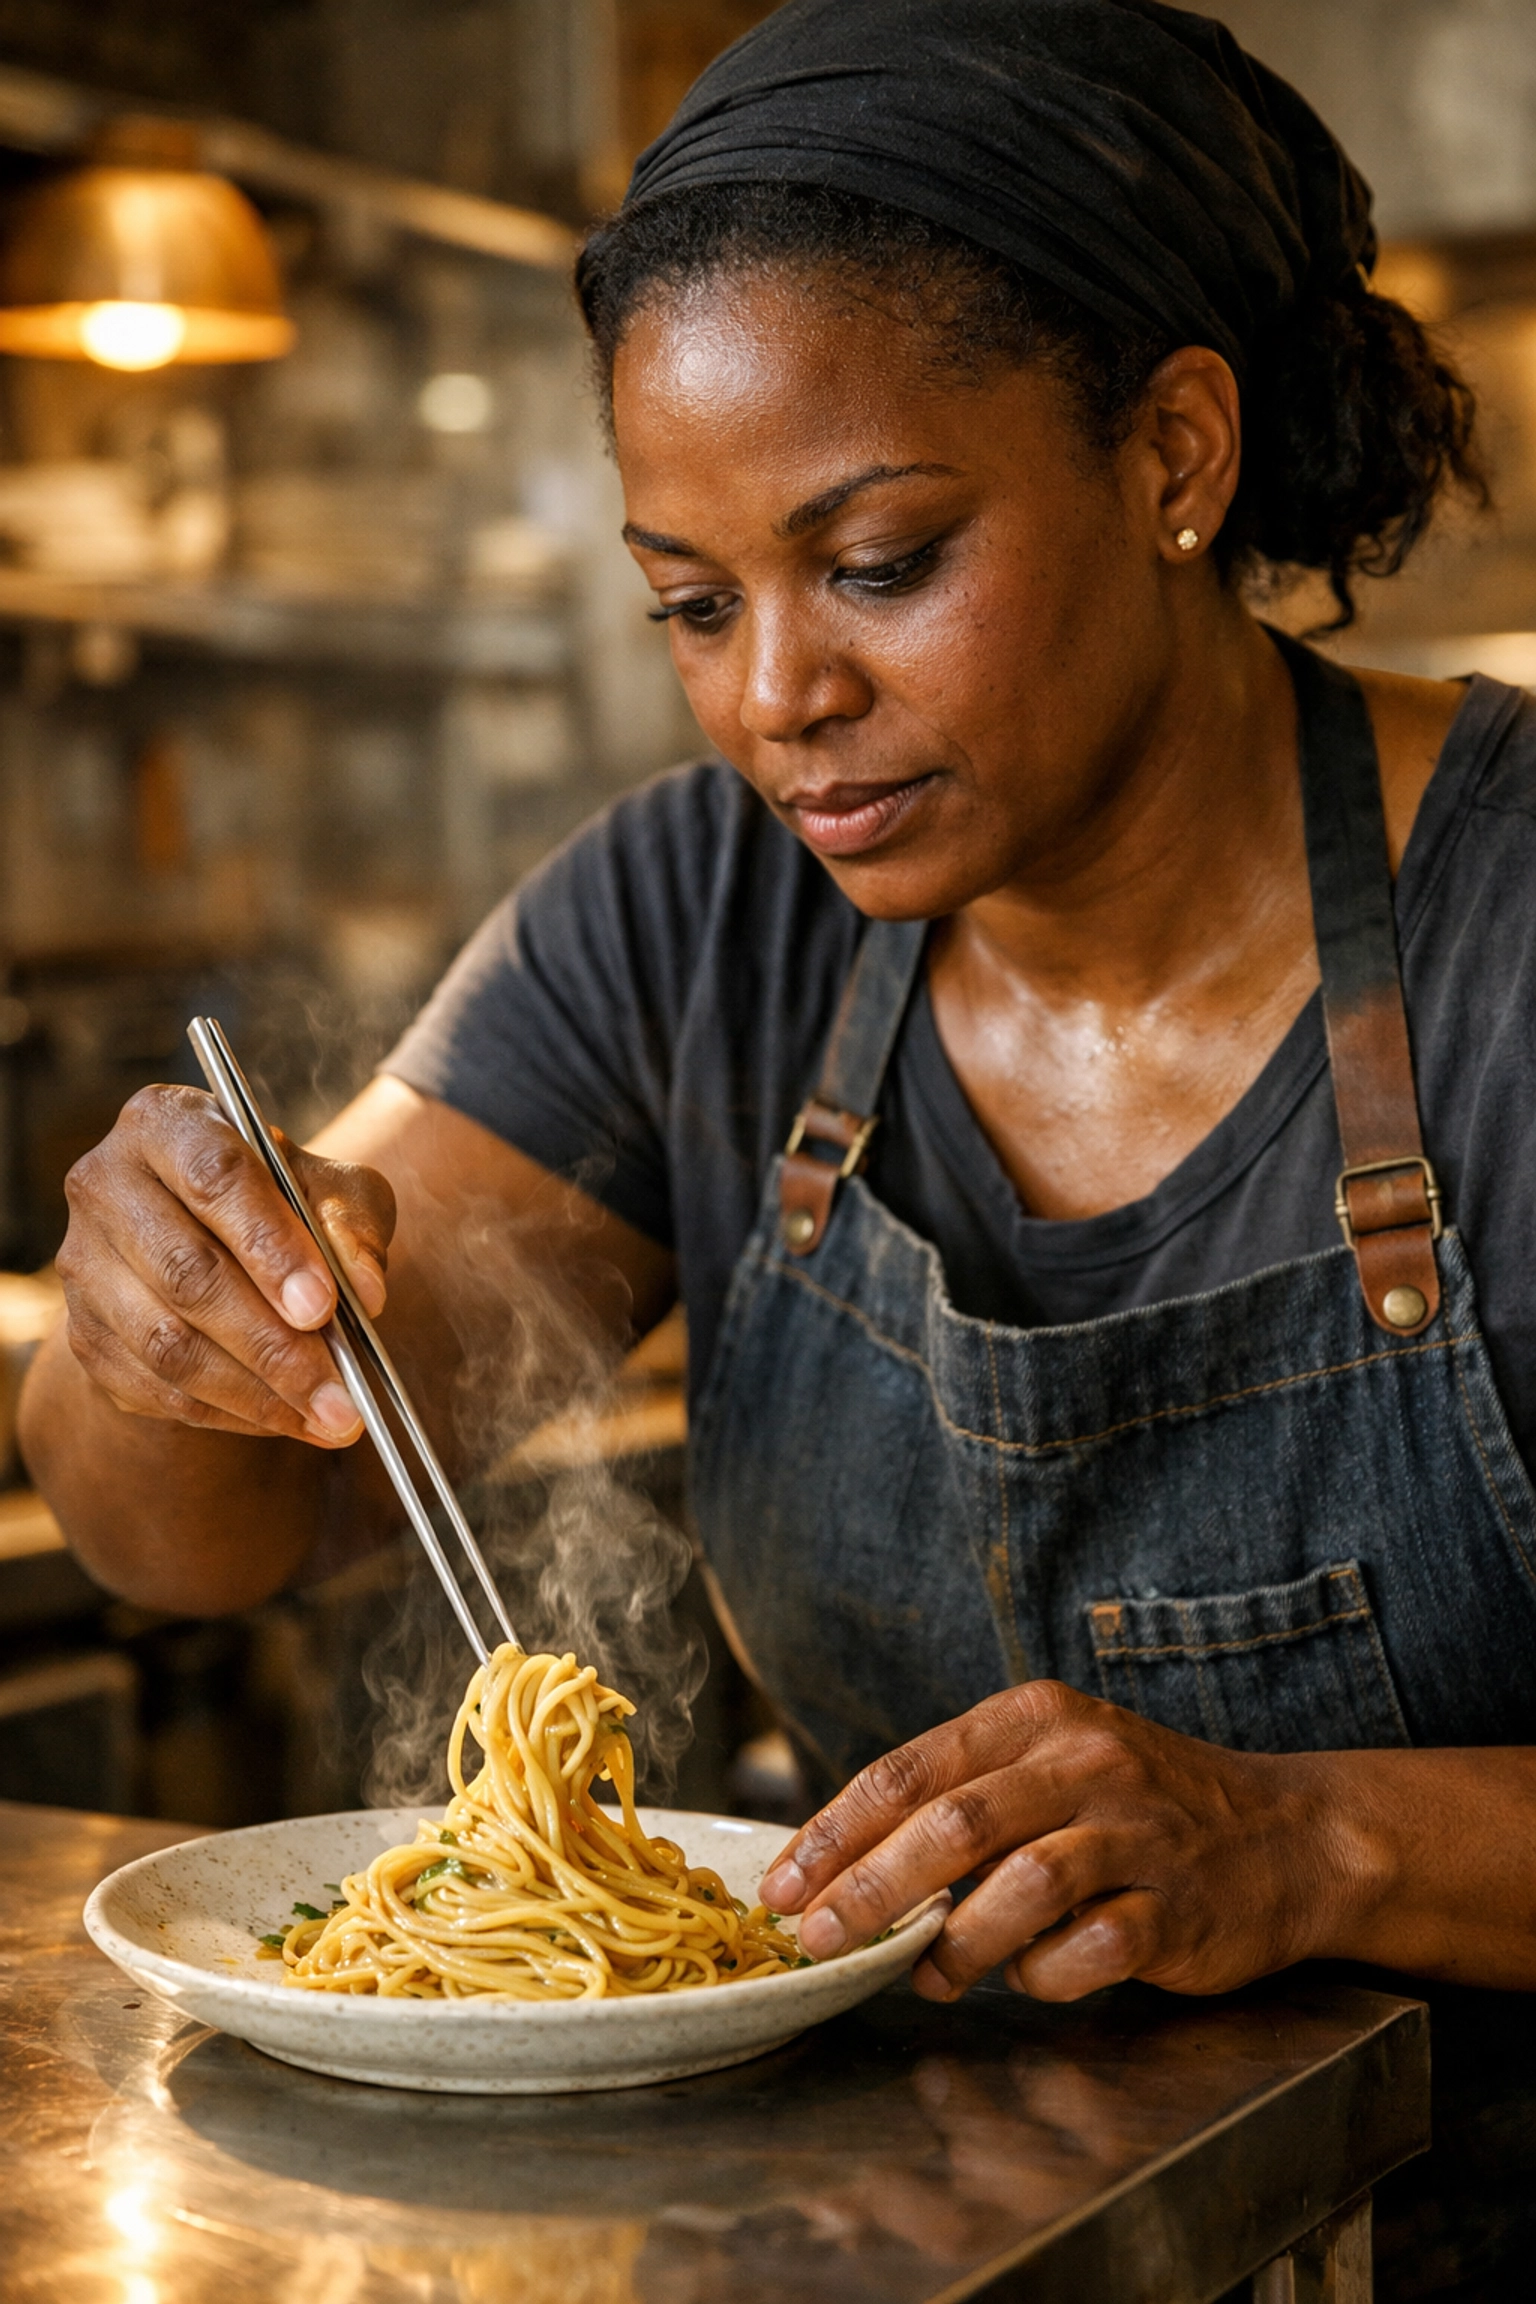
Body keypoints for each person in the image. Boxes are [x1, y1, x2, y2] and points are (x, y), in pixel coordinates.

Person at [19, 2, 1536, 2277]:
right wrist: (152, 1338)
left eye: (884, 562)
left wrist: (1313, 1844)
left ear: (1173, 453)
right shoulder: (692, 919)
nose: (772, 703)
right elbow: (202, 1542)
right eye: (694, 605)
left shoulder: (1508, 929)